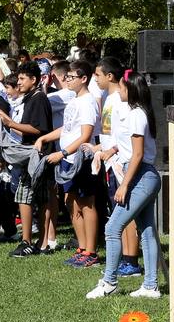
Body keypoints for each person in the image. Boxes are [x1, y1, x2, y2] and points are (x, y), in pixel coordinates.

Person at [87, 72, 161, 300]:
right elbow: (130, 148)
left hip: (140, 176)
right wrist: (111, 150)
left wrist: (124, 185)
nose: (118, 91)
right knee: (147, 231)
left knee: (112, 228)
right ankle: (150, 286)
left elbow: (138, 154)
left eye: (121, 88)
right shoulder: (134, 113)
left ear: (131, 90)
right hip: (141, 174)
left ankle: (109, 281)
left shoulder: (137, 114)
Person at [36, 60, 102, 268]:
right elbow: (67, 129)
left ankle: (91, 252)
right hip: (67, 160)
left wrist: (63, 152)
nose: (67, 80)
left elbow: (85, 135)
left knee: (86, 204)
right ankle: (82, 248)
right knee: (70, 202)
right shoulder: (74, 100)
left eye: (71, 77)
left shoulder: (88, 102)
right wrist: (45, 138)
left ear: (84, 79)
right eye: (67, 77)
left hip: (80, 159)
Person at [3, 63, 53, 257]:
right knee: (35, 198)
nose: (19, 82)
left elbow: (39, 128)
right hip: (29, 153)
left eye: (23, 78)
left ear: (34, 80)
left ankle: (29, 242)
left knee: (28, 197)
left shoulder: (38, 98)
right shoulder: (30, 98)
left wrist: (10, 122)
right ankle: (40, 242)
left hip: (38, 155)